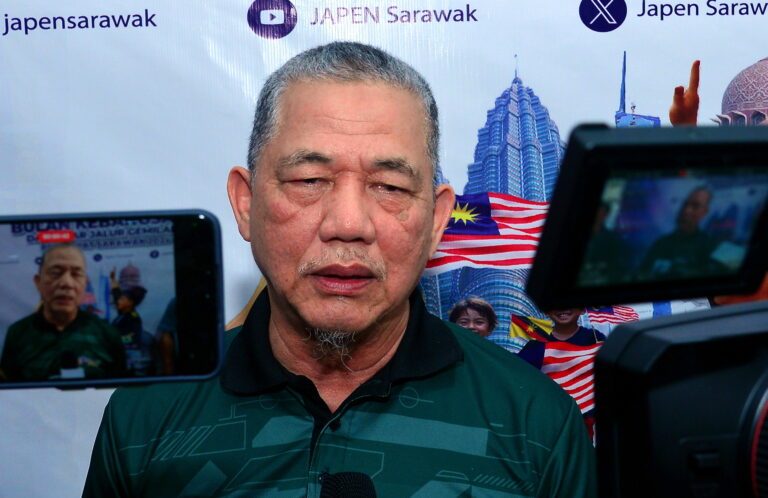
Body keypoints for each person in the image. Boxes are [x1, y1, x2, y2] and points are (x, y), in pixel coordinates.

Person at [84, 42, 596, 497]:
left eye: (390, 187)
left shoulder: (535, 423)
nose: (348, 225)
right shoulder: (148, 414)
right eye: (309, 180)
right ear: (246, 203)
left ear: (438, 220)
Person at [0, 244, 126, 381]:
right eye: (56, 273)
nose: (66, 283)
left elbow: (120, 389)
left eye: (76, 274)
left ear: (85, 284)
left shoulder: (107, 334)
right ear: (38, 282)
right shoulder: (18, 333)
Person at [517, 308, 606, 442]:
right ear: (547, 311)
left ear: (581, 310)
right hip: (548, 418)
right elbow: (517, 371)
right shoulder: (538, 342)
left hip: (584, 421)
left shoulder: (594, 338)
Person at [637, 186, 726, 280]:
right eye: (685, 204)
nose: (687, 210)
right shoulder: (661, 244)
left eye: (695, 206)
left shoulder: (711, 247)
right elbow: (642, 274)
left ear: (704, 212)